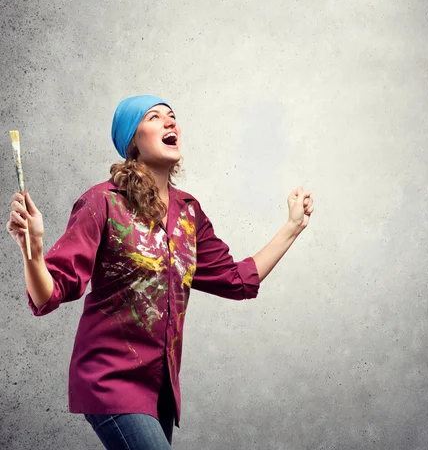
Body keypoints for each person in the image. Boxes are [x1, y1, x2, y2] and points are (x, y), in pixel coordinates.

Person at [7, 94, 314, 450]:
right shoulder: (103, 201)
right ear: (132, 141)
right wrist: (34, 251)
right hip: (110, 381)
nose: (170, 122)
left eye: (172, 116)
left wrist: (292, 227)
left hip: (161, 390)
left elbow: (236, 280)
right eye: (154, 117)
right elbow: (48, 296)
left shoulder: (188, 212)